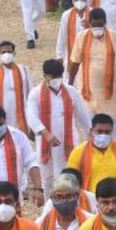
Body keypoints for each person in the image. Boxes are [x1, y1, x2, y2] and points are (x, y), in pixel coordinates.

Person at [26, 59, 92, 195]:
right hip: (46, 143)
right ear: (45, 76)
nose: (56, 79)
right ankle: (50, 210)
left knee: (69, 176)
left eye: (58, 76)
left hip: (69, 142)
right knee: (48, 178)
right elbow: (32, 117)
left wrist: (90, 134)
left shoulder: (71, 92)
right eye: (52, 76)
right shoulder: (35, 94)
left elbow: (82, 115)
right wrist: (46, 134)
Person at [68, 8, 116, 121]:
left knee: (110, 127)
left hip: (110, 95)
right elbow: (74, 62)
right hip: (87, 93)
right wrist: (69, 84)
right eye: (94, 24)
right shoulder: (81, 37)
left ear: (105, 22)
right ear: (90, 23)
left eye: (100, 24)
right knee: (90, 129)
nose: (97, 27)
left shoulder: (115, 37)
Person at [66, 114, 116, 192]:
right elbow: (70, 179)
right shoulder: (78, 152)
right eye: (99, 131)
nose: (103, 135)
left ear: (112, 132)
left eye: (107, 132)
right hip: (89, 200)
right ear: (91, 131)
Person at [0, 41, 34, 135]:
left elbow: (30, 93)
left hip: (22, 117)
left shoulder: (24, 71)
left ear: (14, 53)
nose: (6, 54)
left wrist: (32, 120)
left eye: (9, 51)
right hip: (1, 118)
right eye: (3, 52)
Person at [56, 0, 91, 67]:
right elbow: (62, 36)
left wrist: (90, 27)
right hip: (72, 54)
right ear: (72, 0)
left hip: (90, 54)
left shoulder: (93, 13)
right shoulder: (66, 15)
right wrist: (59, 56)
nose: (79, 1)